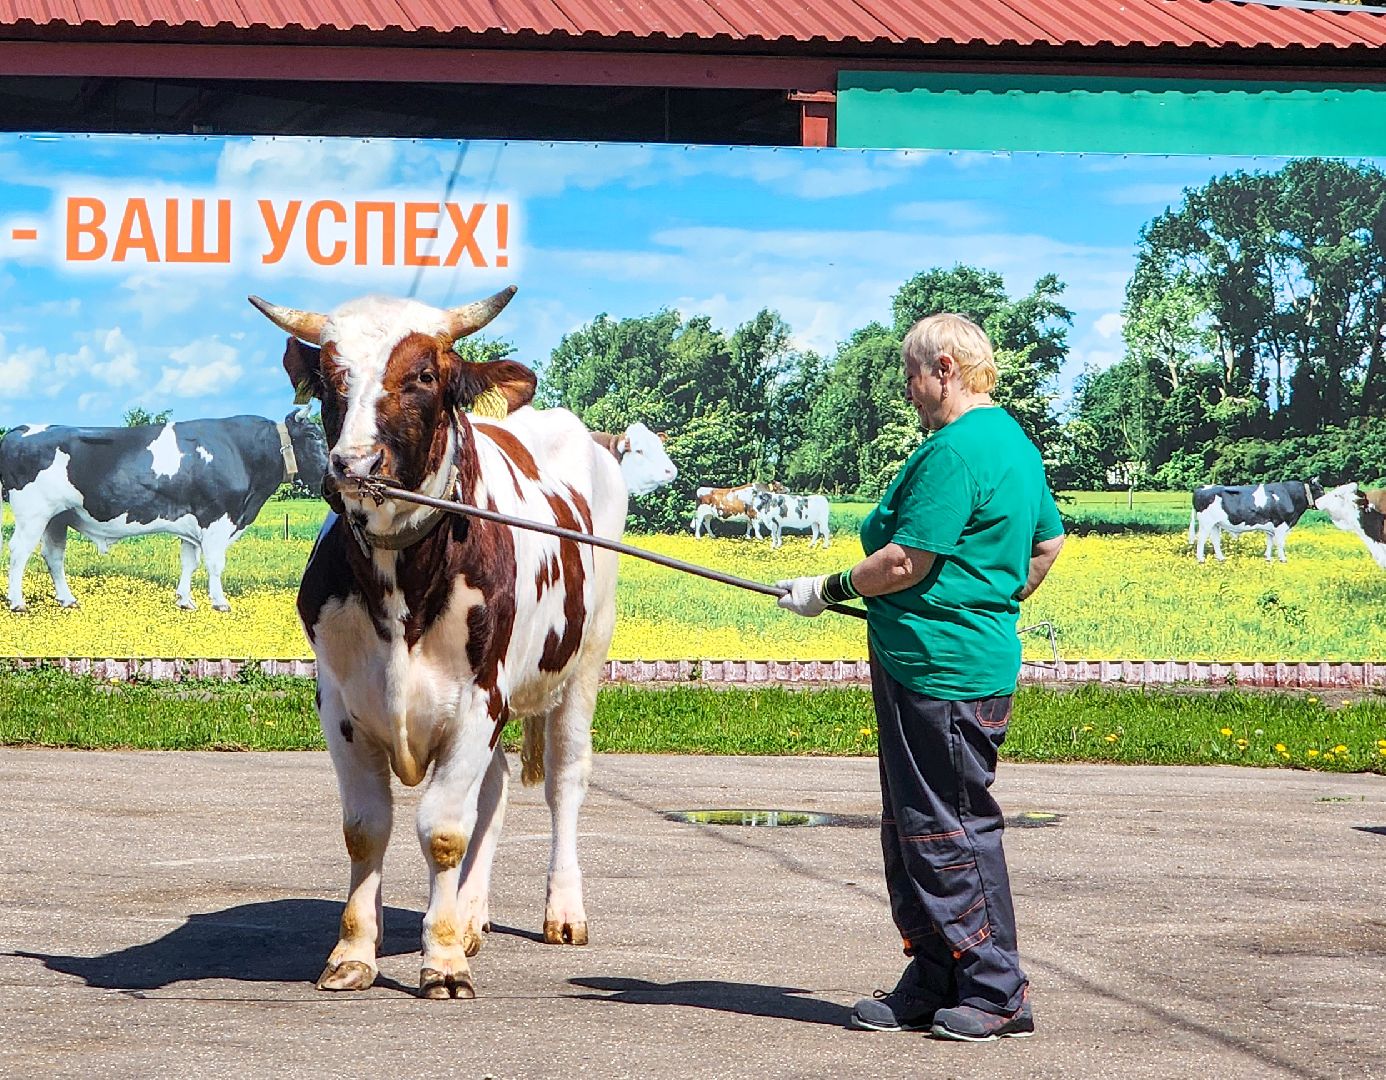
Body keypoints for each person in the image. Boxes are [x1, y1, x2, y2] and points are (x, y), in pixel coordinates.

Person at [775, 313, 1065, 1042]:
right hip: (942, 657)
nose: (908, 393)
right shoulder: (1013, 445)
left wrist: (828, 586)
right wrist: (993, 598)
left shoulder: (958, 450)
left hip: (943, 674)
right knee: (915, 826)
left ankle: (997, 989)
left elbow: (906, 561)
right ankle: (936, 976)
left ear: (943, 367)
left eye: (911, 377)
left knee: (950, 829)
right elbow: (1048, 542)